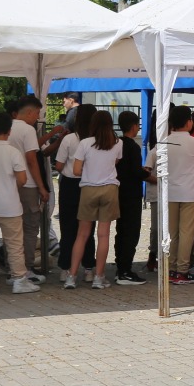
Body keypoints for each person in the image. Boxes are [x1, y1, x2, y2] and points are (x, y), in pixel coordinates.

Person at [0, 112, 37, 296]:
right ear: (9, 132)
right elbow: (22, 178)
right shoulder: (14, 152)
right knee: (14, 245)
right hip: (10, 205)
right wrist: (9, 186)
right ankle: (19, 279)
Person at [68, 109, 122, 290]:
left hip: (88, 189)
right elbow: (115, 162)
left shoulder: (84, 143)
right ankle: (99, 277)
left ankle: (71, 276)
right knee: (104, 234)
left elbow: (76, 171)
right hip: (109, 189)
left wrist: (90, 172)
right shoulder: (117, 143)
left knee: (82, 235)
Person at [163, 106, 194, 284]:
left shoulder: (164, 141)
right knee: (187, 233)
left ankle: (171, 269)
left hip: (170, 193)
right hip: (190, 193)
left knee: (172, 233)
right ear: (189, 122)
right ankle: (183, 270)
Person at [54, 102, 98, 276]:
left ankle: (65, 267)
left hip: (70, 185)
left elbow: (58, 165)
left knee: (68, 227)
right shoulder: (97, 140)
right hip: (90, 185)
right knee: (88, 228)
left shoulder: (69, 139)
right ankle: (88, 267)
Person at [8, 95, 48, 283]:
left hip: (9, 184)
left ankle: (14, 266)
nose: (38, 117)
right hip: (29, 184)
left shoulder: (6, 127)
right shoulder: (28, 130)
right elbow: (32, 159)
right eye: (37, 113)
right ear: (30, 112)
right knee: (31, 228)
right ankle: (27, 267)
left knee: (14, 229)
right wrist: (42, 187)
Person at [114, 111, 150, 285]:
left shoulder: (116, 143)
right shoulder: (133, 147)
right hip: (131, 194)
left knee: (121, 231)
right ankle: (125, 270)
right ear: (135, 126)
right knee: (131, 232)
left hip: (118, 191)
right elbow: (136, 171)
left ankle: (120, 266)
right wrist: (147, 173)